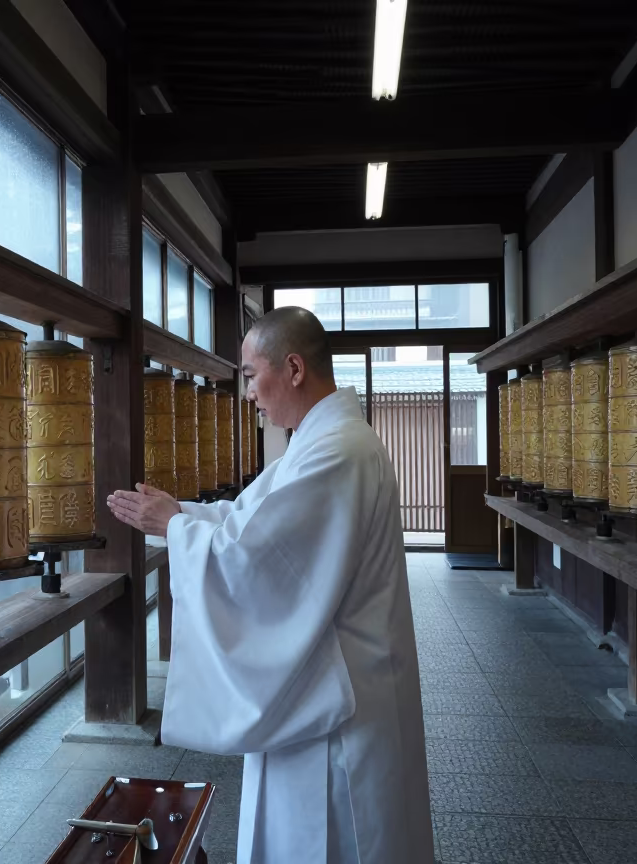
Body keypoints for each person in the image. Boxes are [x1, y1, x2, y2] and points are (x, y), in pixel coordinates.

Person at [107, 307, 433, 864]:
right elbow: (249, 518)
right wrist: (179, 515)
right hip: (326, 681)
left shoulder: (337, 451)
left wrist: (175, 528)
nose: (250, 392)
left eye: (253, 375)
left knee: (334, 837)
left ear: (295, 369)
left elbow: (258, 557)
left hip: (336, 697)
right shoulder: (321, 439)